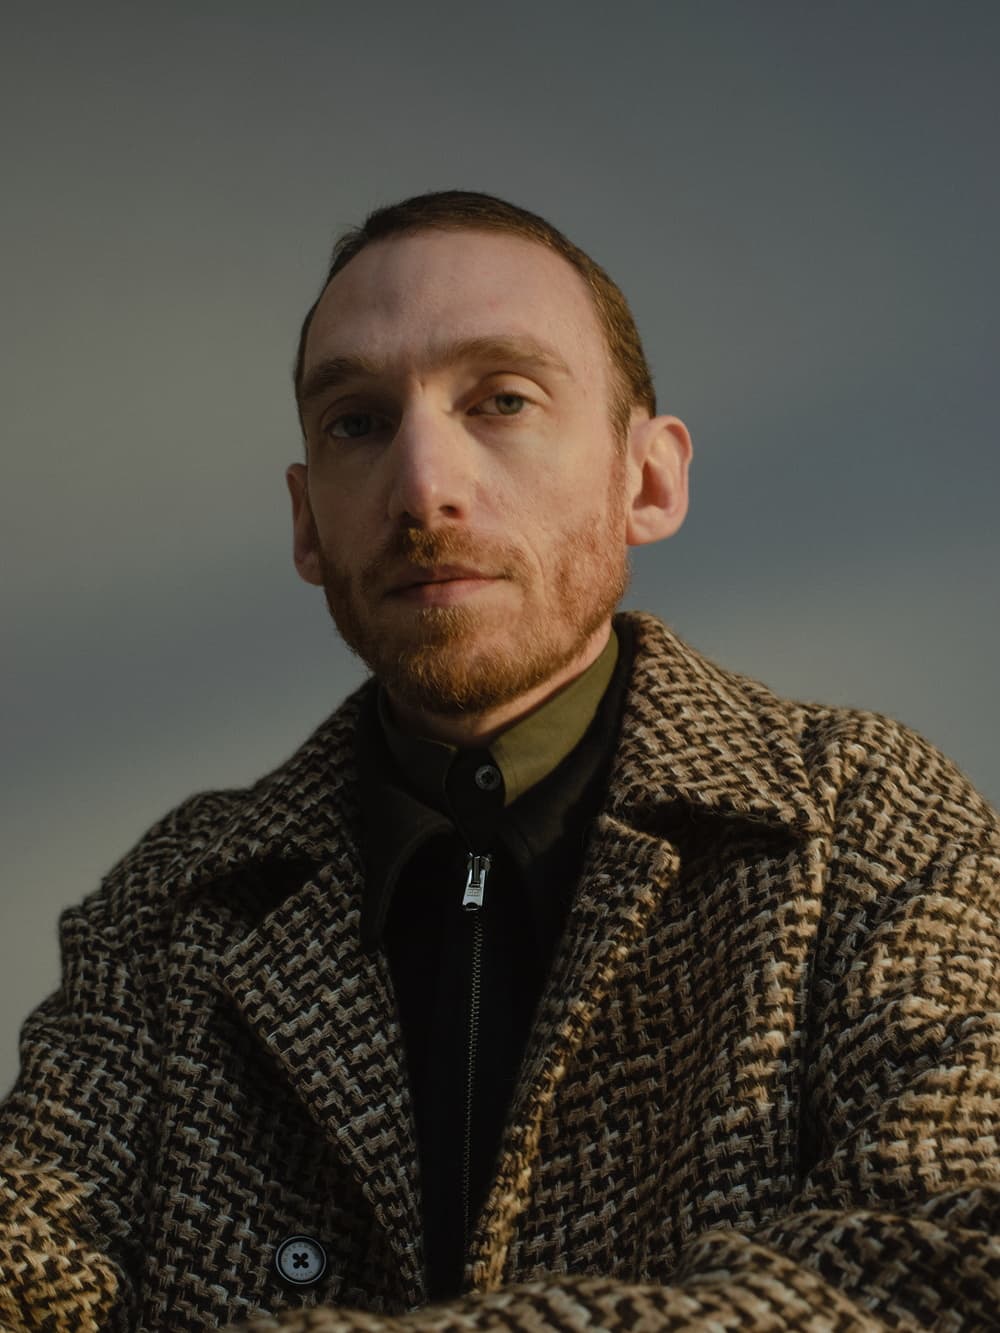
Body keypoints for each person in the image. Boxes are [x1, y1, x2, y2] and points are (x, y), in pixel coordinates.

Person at [1, 189, 998, 1333]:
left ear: (647, 479)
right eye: (357, 422)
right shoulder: (174, 901)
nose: (423, 487)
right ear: (307, 522)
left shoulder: (865, 817)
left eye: (503, 400)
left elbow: (944, 1260)